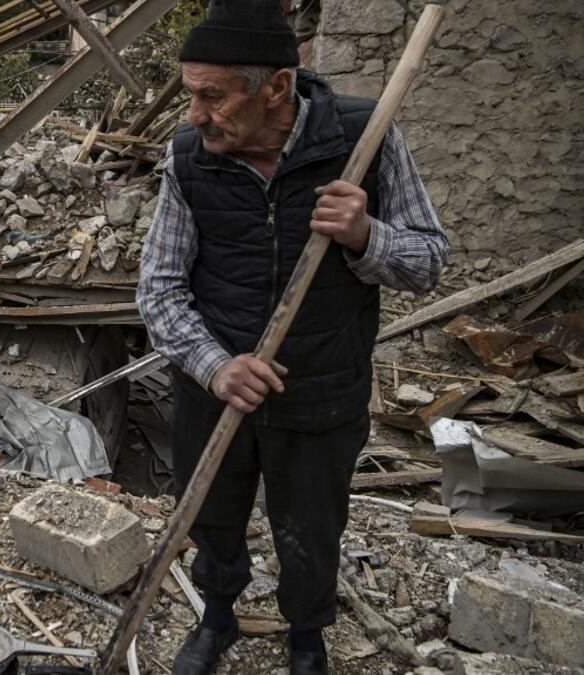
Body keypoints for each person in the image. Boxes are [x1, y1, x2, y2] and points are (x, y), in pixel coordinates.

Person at [136, 1, 449, 673]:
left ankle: (307, 636)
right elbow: (158, 289)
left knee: (311, 528)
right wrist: (216, 366)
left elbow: (428, 262)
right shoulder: (191, 155)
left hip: (322, 388)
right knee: (212, 515)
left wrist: (369, 235)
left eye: (211, 96)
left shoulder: (363, 138)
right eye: (190, 93)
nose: (193, 113)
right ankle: (217, 615)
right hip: (216, 390)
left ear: (276, 87)